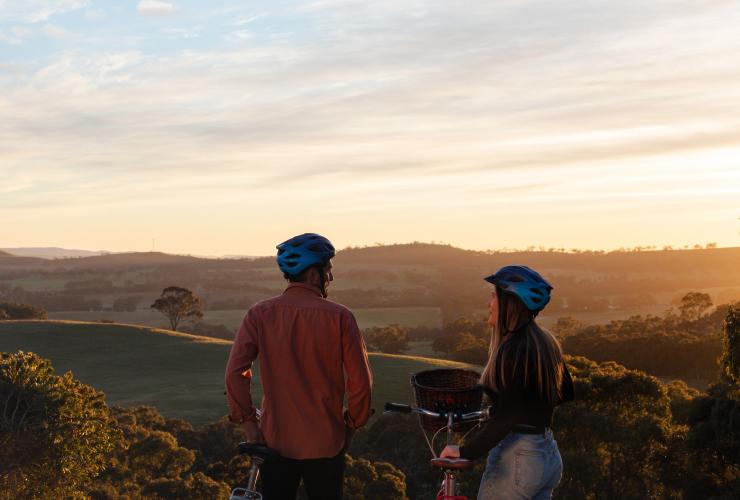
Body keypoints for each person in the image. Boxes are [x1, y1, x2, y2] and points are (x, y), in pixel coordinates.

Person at [225, 233, 373, 500]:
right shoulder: (340, 317)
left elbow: (235, 373)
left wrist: (250, 427)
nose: (331, 277)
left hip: (274, 443)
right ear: (314, 274)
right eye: (328, 269)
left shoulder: (259, 313)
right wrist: (351, 427)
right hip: (326, 443)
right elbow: (360, 383)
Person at [440, 265, 574, 499]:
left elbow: (509, 415)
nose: (488, 304)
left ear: (509, 302)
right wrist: (521, 407)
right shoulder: (544, 341)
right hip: (546, 454)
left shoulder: (512, 348)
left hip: (518, 457)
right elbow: (566, 392)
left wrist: (465, 451)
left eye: (493, 296)